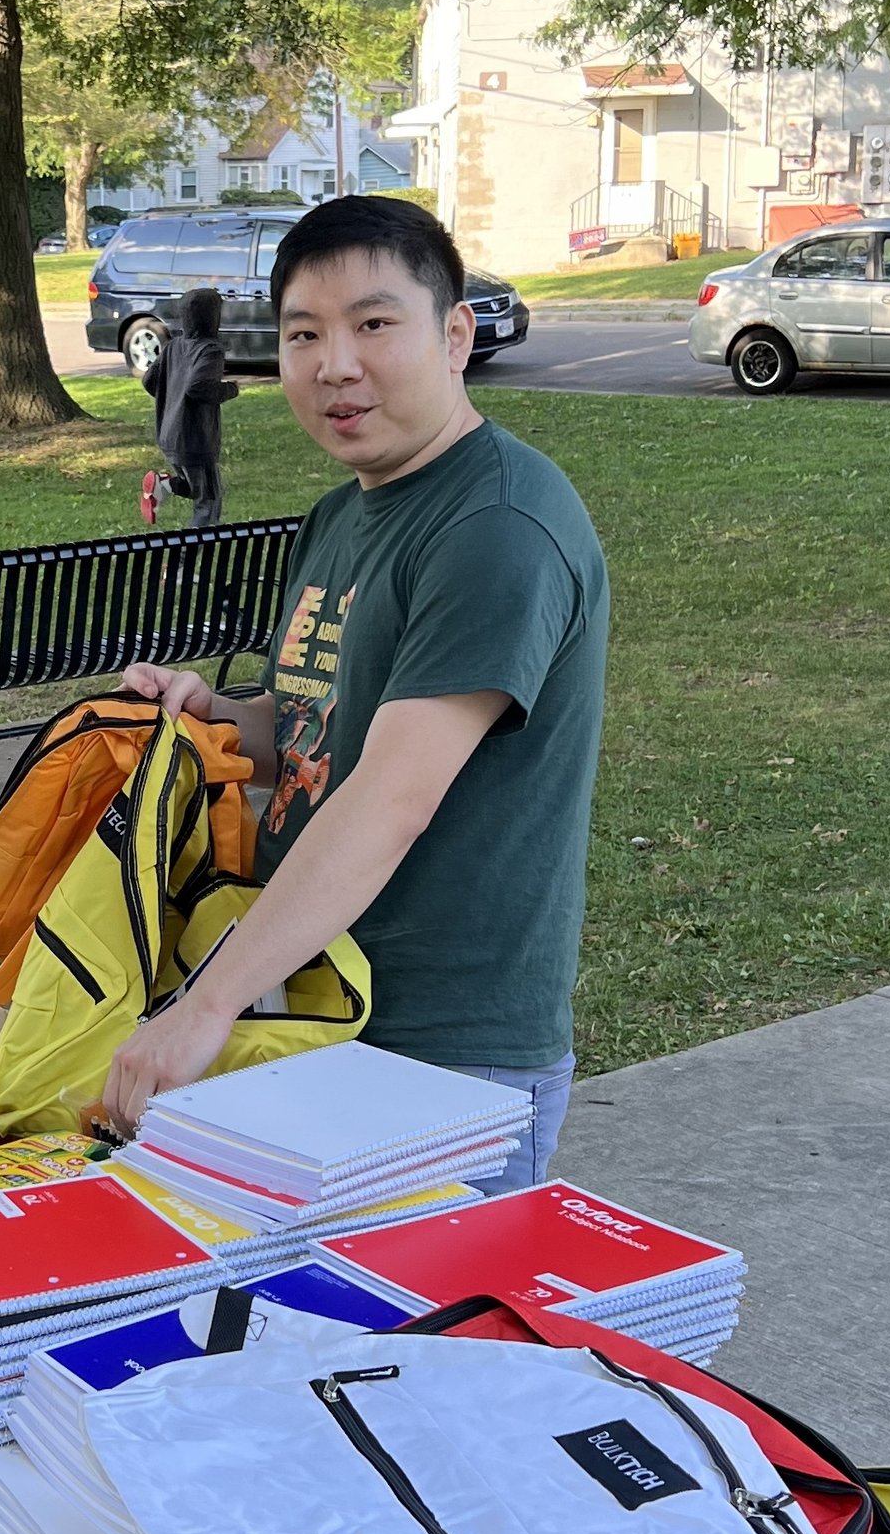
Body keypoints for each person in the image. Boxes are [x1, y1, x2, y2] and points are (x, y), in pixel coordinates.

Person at [101, 197, 608, 1192]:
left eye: (373, 324)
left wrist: (206, 1005)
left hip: (443, 1053)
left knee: (418, 1301)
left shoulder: (497, 527)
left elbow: (390, 797)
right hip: (315, 1011)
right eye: (304, 335)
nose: (335, 364)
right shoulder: (343, 515)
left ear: (454, 335)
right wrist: (213, 718)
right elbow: (316, 728)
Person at [141, 288, 239, 529]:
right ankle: (191, 552)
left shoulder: (172, 347)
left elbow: (149, 380)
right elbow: (199, 387)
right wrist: (230, 389)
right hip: (195, 439)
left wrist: (172, 401)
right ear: (213, 317)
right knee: (208, 502)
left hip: (169, 435)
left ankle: (163, 486)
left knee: (195, 487)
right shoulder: (210, 350)